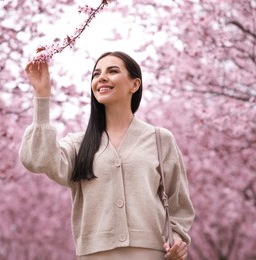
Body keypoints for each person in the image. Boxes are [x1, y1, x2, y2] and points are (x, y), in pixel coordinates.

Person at [20, 51, 195, 260]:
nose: (101, 77)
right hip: (94, 254)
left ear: (135, 84)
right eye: (96, 74)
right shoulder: (78, 144)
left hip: (153, 253)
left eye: (112, 71)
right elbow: (37, 159)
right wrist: (42, 96)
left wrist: (176, 237)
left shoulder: (159, 139)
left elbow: (179, 204)